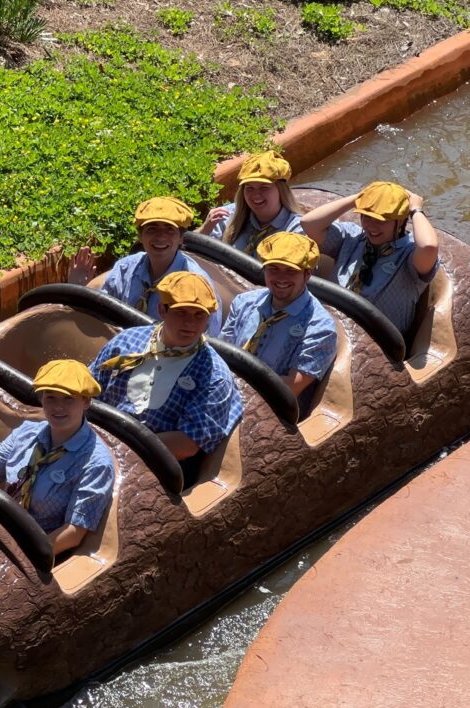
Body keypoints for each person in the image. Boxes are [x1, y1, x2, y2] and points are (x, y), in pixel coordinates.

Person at [89, 271, 243, 483]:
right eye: (181, 313)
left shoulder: (214, 375)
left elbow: (187, 445)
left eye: (199, 315)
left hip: (156, 470)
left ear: (209, 319)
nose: (189, 323)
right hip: (95, 445)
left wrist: (118, 452)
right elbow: (89, 391)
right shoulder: (125, 341)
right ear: (162, 310)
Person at [0, 360, 115, 557]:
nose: (58, 407)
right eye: (50, 397)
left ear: (86, 402)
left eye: (68, 399)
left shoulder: (96, 462)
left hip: (40, 554)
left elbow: (73, 532)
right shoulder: (26, 433)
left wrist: (20, 557)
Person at [299, 180, 439, 336]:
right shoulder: (353, 237)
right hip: (326, 324)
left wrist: (416, 210)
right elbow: (309, 224)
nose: (371, 226)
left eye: (381, 220)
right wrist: (359, 198)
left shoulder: (409, 254)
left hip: (376, 342)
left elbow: (429, 247)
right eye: (366, 216)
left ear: (401, 222)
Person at [68, 196, 223, 336]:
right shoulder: (124, 269)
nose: (160, 236)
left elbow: (208, 338)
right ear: (140, 237)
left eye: (169, 230)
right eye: (152, 229)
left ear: (181, 238)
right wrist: (79, 289)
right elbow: (100, 316)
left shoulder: (197, 284)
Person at [221, 232, 338, 411]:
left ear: (307, 274)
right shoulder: (244, 302)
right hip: (222, 395)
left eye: (291, 271)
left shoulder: (320, 328)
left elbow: (290, 388)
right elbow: (220, 355)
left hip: (271, 413)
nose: (281, 278)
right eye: (273, 268)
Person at [198, 151, 304, 255]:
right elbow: (188, 251)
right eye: (249, 188)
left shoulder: (295, 229)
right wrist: (205, 230)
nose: (256, 195)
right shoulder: (227, 215)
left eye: (264, 187)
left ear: (281, 190)